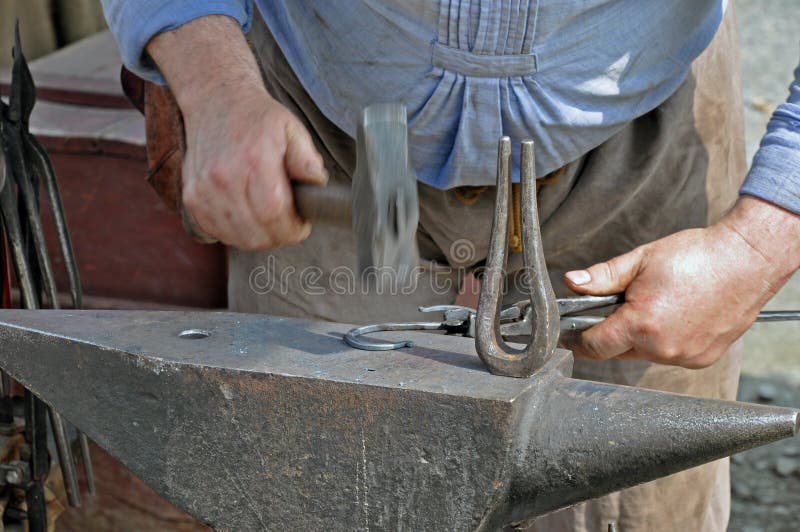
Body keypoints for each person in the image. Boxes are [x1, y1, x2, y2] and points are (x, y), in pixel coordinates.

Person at [100, 1, 798, 530]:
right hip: (321, 126)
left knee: (635, 509)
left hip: (641, 125)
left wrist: (760, 242)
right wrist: (209, 76)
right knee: (324, 484)